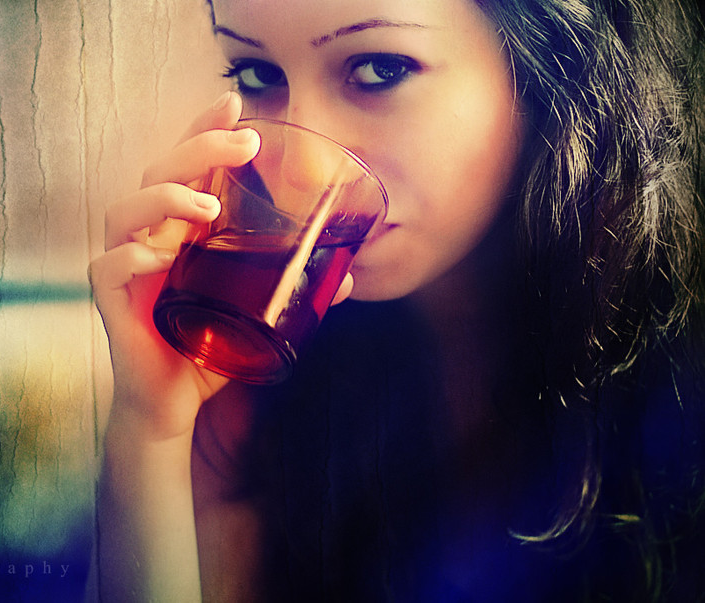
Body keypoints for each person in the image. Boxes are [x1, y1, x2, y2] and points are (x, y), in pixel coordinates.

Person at [87, 0, 705, 600]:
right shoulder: (261, 378)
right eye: (258, 75)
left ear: (552, 64)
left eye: (380, 69)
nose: (299, 170)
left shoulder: (681, 384)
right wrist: (152, 431)